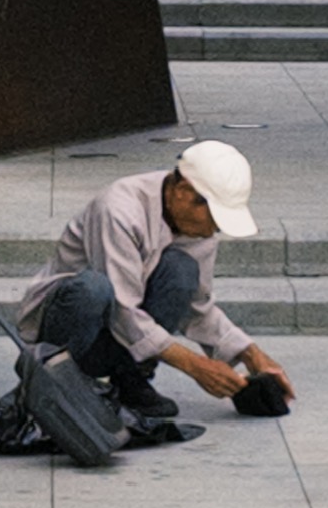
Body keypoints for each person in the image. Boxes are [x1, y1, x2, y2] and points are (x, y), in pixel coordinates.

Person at [16, 141, 296, 418]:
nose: (213, 230)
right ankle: (54, 380)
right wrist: (195, 366)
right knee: (94, 289)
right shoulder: (118, 209)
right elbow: (123, 309)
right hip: (70, 324)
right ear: (183, 191)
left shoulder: (198, 228)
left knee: (181, 270)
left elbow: (198, 308)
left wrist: (250, 353)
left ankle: (130, 379)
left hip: (120, 335)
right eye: (214, 217)